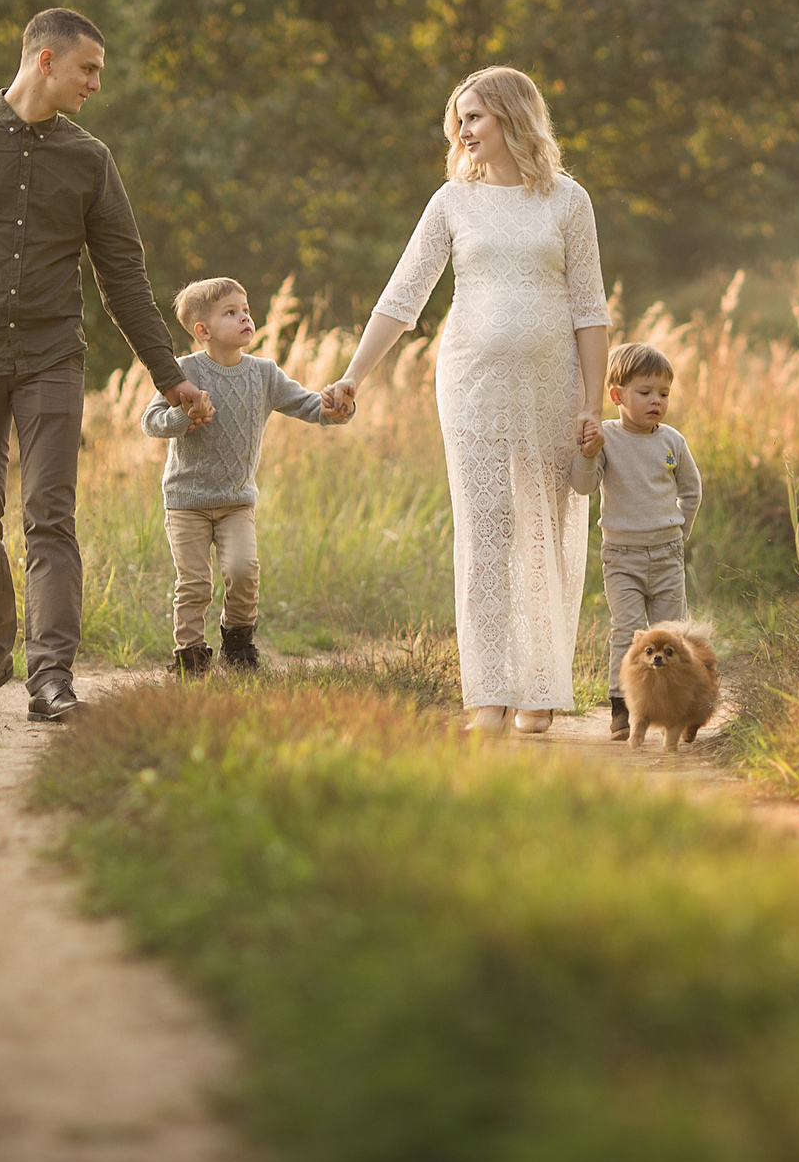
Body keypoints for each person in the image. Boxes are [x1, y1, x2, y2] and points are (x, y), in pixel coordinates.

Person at [0, 7, 213, 723]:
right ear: (45, 61)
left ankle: (52, 674)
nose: (97, 83)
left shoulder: (90, 159)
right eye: (88, 68)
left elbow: (123, 278)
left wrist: (170, 375)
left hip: (51, 358)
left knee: (49, 515)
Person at [325, 66, 608, 735]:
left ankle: (538, 687)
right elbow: (404, 296)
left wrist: (592, 403)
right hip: (470, 385)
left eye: (474, 115)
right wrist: (354, 375)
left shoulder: (568, 201)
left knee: (545, 525)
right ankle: (488, 690)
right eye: (459, 117)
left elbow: (589, 310)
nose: (462, 128)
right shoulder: (451, 200)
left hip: (552, 385)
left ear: (513, 117)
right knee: (484, 529)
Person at [141, 276, 346, 677]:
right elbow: (151, 422)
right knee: (195, 582)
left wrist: (332, 408)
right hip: (186, 502)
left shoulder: (264, 373)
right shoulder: (184, 371)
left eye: (246, 310)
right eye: (230, 313)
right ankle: (190, 656)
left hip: (236, 500)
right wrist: (185, 415)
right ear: (203, 331)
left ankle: (237, 641)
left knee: (242, 570)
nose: (245, 318)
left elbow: (307, 404)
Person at [569, 341, 704, 739]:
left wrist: (680, 535)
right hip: (621, 556)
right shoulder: (606, 438)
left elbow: (691, 491)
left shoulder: (672, 442)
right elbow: (582, 487)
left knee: (671, 634)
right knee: (628, 629)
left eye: (663, 393)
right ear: (617, 395)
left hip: (666, 554)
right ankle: (622, 707)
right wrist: (589, 454)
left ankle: (678, 707)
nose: (656, 402)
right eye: (644, 393)